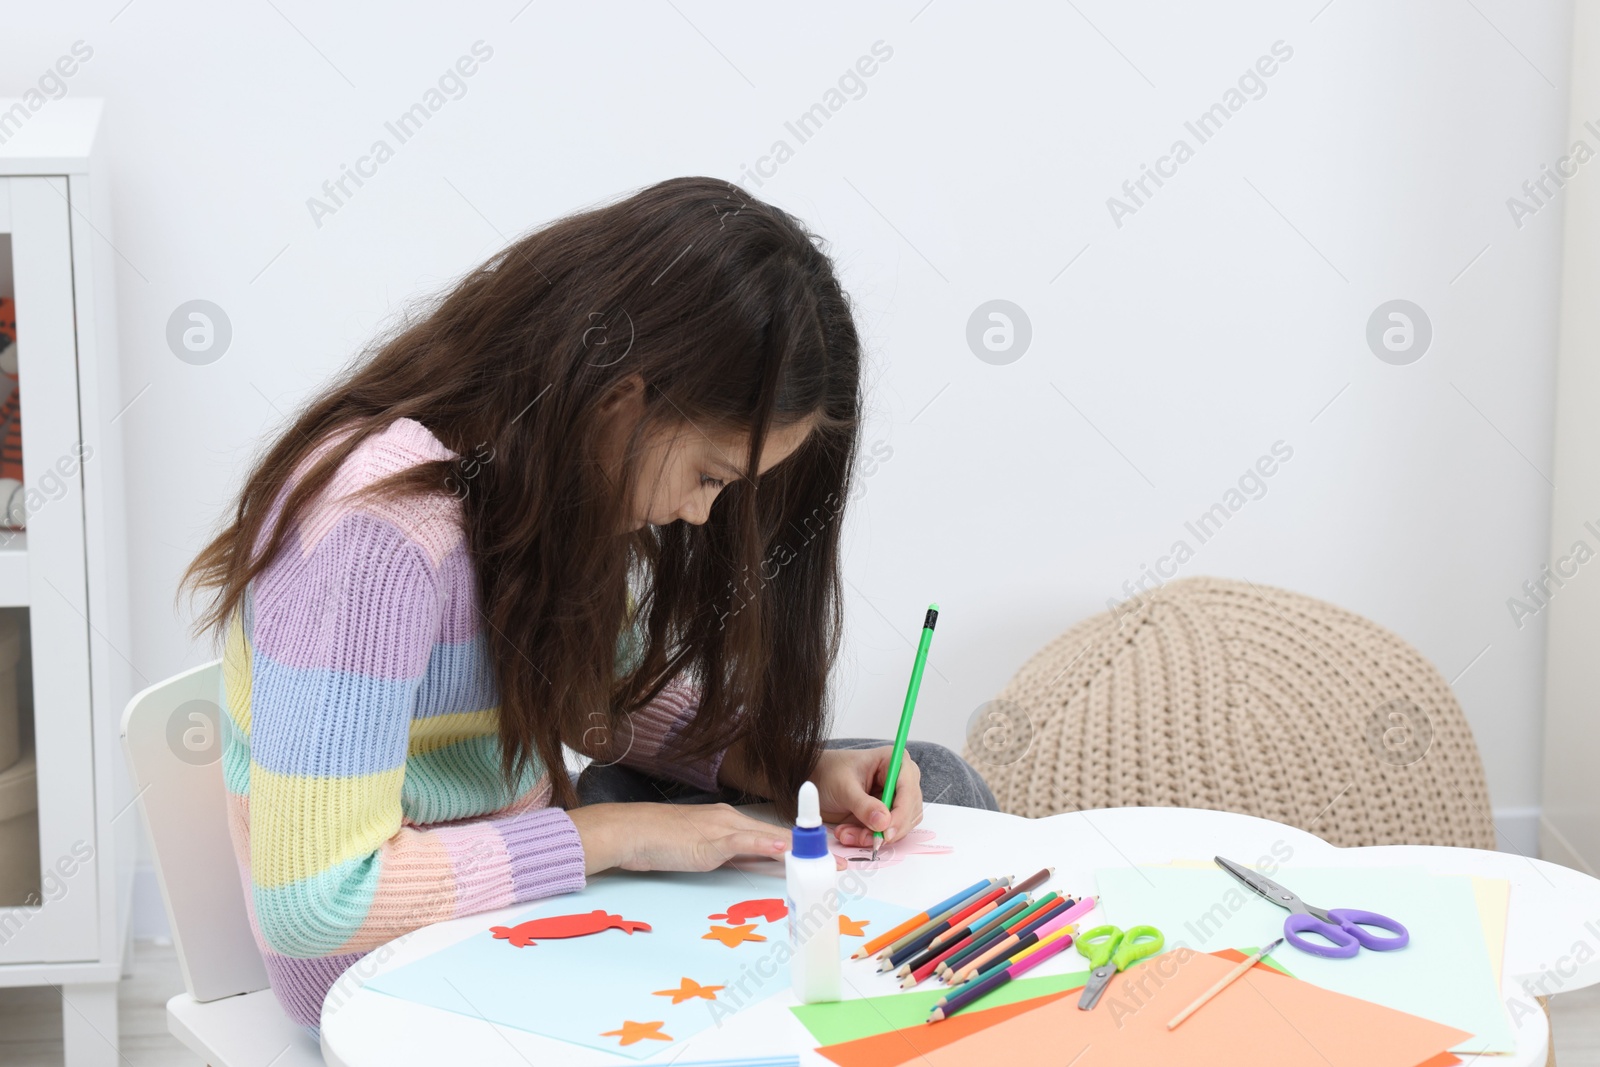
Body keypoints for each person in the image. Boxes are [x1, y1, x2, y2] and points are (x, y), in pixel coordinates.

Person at [181, 176, 997, 1032]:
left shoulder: (544, 484)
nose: (700, 513)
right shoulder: (375, 531)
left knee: (932, 777)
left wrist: (793, 767)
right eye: (710, 476)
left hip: (524, 895)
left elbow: (607, 705)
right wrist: (614, 837)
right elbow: (313, 904)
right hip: (391, 969)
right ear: (622, 401)